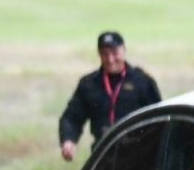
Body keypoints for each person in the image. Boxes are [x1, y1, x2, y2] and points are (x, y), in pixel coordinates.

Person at [58, 31, 162, 161]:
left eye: (114, 53)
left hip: (137, 154)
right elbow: (72, 117)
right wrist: (68, 140)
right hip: (102, 154)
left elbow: (158, 118)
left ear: (124, 50)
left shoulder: (142, 81)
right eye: (104, 54)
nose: (110, 59)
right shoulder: (89, 84)